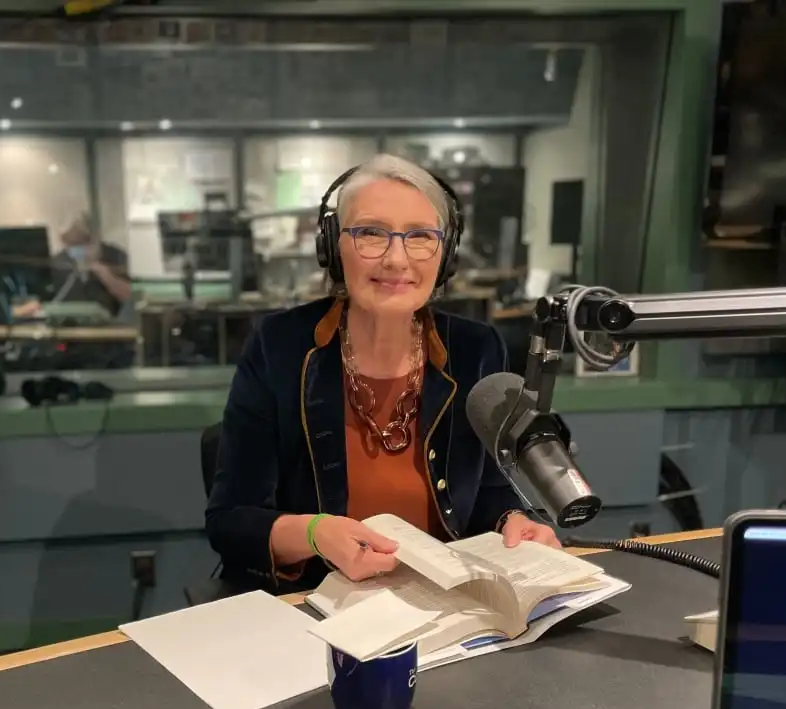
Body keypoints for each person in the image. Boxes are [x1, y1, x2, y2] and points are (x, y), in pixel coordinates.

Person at [205, 154, 559, 592]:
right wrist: (315, 534)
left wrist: (514, 520)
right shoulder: (279, 346)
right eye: (371, 233)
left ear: (444, 254)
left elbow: (487, 489)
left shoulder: (476, 349)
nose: (396, 259)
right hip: (317, 606)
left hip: (448, 606)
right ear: (334, 246)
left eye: (419, 236)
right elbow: (230, 521)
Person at [50, 214, 133, 319]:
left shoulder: (114, 256)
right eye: (69, 245)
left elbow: (130, 297)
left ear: (92, 239)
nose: (73, 250)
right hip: (70, 325)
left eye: (77, 244)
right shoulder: (59, 262)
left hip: (110, 325)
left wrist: (104, 274)